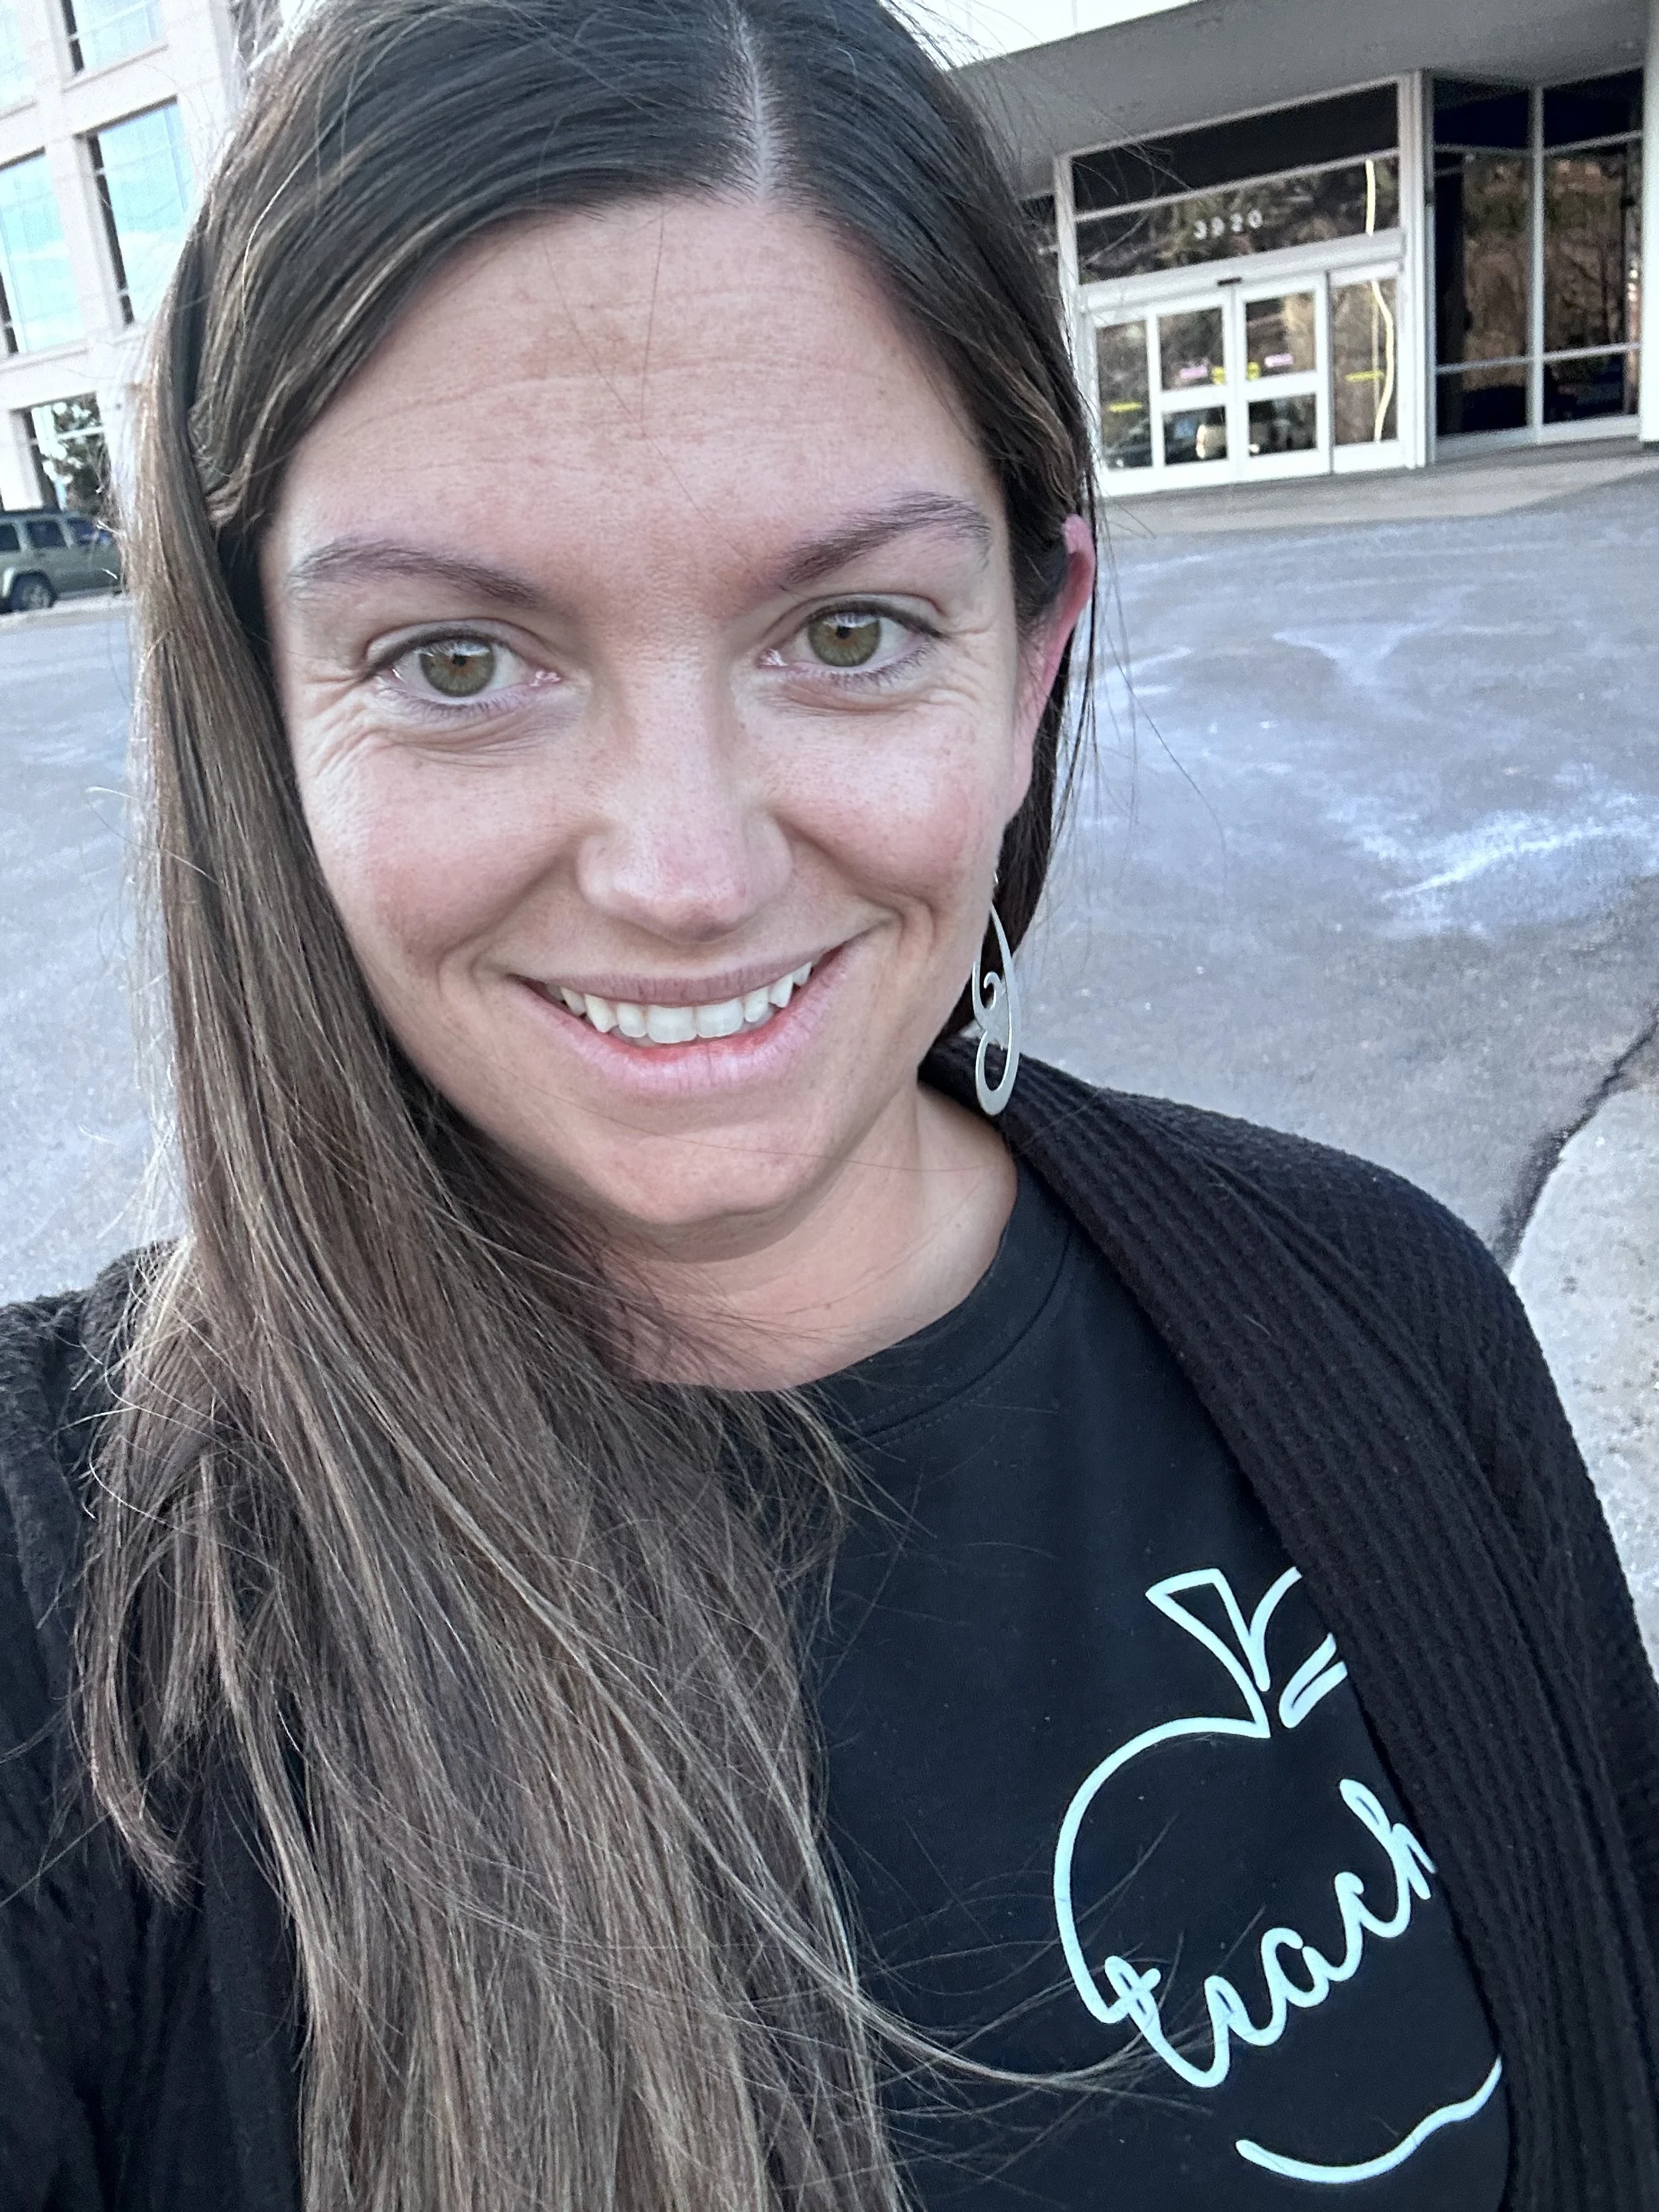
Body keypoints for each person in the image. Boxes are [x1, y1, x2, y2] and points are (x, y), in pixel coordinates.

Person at [1, 1, 1655, 2206]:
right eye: (457, 661)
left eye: (850, 629)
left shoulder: (1384, 1320)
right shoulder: (59, 1630)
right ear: (260, 705)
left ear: (1031, 643)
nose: (680, 873)